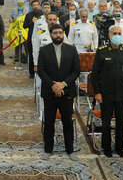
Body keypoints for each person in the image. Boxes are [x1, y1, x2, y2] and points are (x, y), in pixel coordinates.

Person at [91, 24, 123, 157]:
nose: (117, 36)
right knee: (106, 121)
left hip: (121, 92)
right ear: (109, 35)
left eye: (119, 33)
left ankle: (119, 147)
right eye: (115, 34)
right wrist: (97, 92)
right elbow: (95, 74)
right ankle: (106, 147)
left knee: (120, 121)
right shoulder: (102, 51)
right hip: (105, 92)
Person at [37, 23, 80, 161]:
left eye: (60, 33)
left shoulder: (71, 50)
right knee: (49, 122)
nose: (58, 35)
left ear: (63, 34)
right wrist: (54, 86)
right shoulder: (43, 50)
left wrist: (63, 84)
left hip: (67, 92)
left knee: (67, 122)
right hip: (49, 92)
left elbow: (76, 71)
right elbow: (41, 71)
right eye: (55, 33)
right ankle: (47, 149)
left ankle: (70, 149)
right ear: (50, 34)